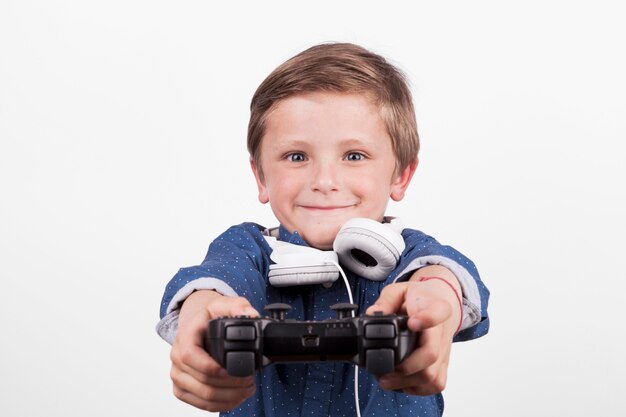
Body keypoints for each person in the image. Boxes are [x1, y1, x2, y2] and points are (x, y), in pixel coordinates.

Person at [156, 42, 490, 417]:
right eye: (296, 157)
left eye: (354, 156)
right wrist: (200, 317)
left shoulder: (407, 256)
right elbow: (213, 281)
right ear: (261, 177)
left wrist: (437, 300)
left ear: (401, 175)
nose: (325, 181)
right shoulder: (246, 249)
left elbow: (443, 271)